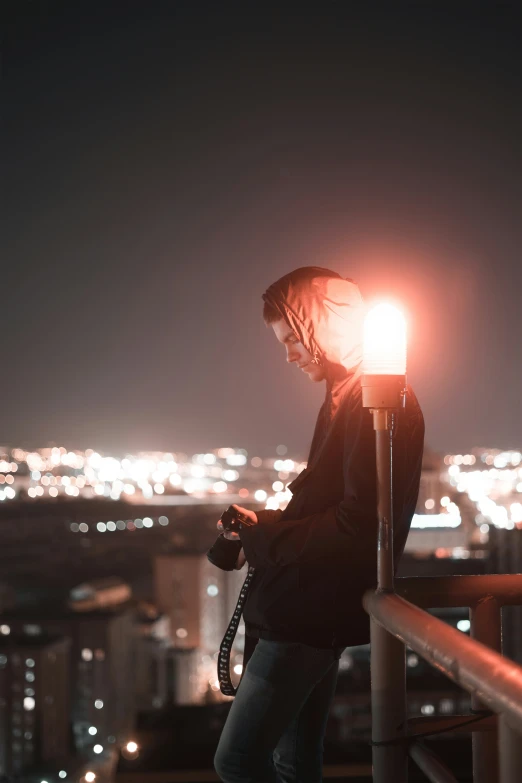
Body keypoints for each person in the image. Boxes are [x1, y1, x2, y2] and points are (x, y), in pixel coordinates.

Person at [213, 266, 425, 783]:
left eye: (291, 338)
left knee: (238, 761)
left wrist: (266, 538)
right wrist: (260, 525)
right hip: (310, 608)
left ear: (319, 327)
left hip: (309, 614)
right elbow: (333, 503)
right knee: (293, 762)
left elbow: (358, 523)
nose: (288, 354)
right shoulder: (345, 396)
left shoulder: (378, 400)